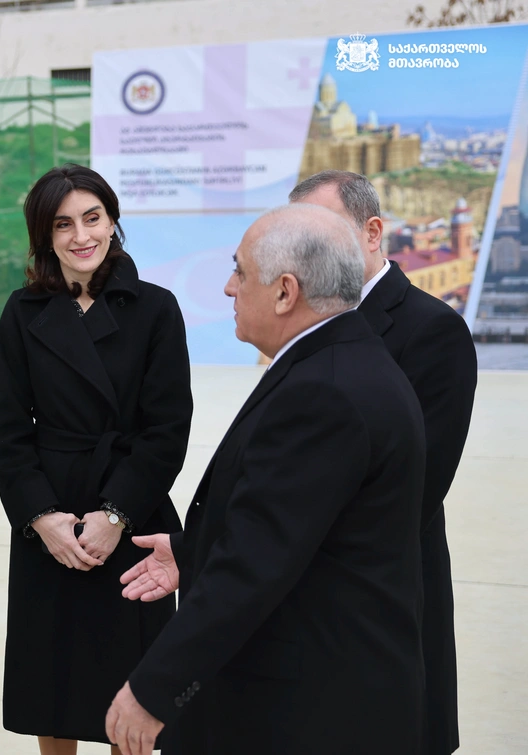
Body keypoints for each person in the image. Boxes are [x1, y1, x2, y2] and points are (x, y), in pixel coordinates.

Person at [107, 203, 427, 755]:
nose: (230, 288)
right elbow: (304, 526)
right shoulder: (340, 362)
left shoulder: (322, 391)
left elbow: (256, 563)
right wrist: (192, 550)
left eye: (239, 271)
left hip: (307, 709)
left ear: (285, 292)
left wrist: (154, 691)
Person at [0, 164, 194, 755]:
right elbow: (9, 432)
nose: (81, 236)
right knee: (50, 693)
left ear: (112, 221)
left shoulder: (157, 309)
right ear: (44, 236)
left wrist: (115, 515)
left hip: (130, 516)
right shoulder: (22, 313)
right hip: (49, 522)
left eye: (93, 218)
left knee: (131, 690)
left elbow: (167, 431)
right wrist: (41, 518)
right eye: (63, 224)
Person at [290, 170, 477, 755]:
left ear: (373, 232)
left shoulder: (433, 330)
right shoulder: (305, 324)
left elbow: (414, 490)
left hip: (384, 599)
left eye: (322, 232)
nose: (307, 251)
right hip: (308, 605)